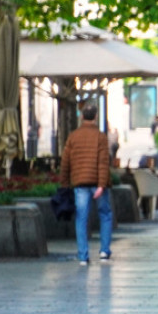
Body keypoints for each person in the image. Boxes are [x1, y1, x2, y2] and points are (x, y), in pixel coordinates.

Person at [59, 103, 113, 266]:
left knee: (81, 218)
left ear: (82, 116)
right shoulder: (100, 136)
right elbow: (103, 162)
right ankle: (104, 251)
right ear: (96, 117)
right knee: (105, 215)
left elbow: (65, 162)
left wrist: (64, 183)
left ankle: (83, 255)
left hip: (80, 184)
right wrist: (102, 185)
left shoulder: (73, 136)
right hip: (98, 183)